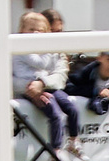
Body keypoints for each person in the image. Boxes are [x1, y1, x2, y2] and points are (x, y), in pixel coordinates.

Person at [13, 11, 78, 152]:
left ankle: (73, 142)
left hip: (49, 91)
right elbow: (4, 78)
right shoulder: (17, 47)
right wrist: (29, 88)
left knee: (71, 108)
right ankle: (56, 152)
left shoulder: (57, 50)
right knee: (55, 115)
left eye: (58, 32)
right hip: (21, 101)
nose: (37, 34)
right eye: (31, 30)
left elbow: (60, 76)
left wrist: (41, 83)